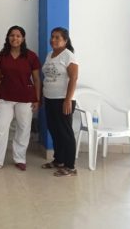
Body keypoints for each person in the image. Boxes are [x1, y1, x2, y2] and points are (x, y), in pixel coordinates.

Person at [0, 25, 41, 171]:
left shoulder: (31, 56)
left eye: (18, 36)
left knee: (23, 128)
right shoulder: (2, 55)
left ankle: (20, 159)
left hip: (25, 98)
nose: (15, 38)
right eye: (12, 35)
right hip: (5, 97)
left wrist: (37, 99)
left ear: (23, 38)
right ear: (8, 38)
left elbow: (37, 79)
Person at [42, 27, 79, 177]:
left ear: (65, 40)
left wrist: (67, 100)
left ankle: (70, 166)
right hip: (50, 99)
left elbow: (74, 78)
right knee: (54, 130)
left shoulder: (68, 55)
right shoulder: (50, 55)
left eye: (57, 37)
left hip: (63, 100)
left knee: (65, 132)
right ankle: (59, 160)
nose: (53, 40)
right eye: (52, 37)